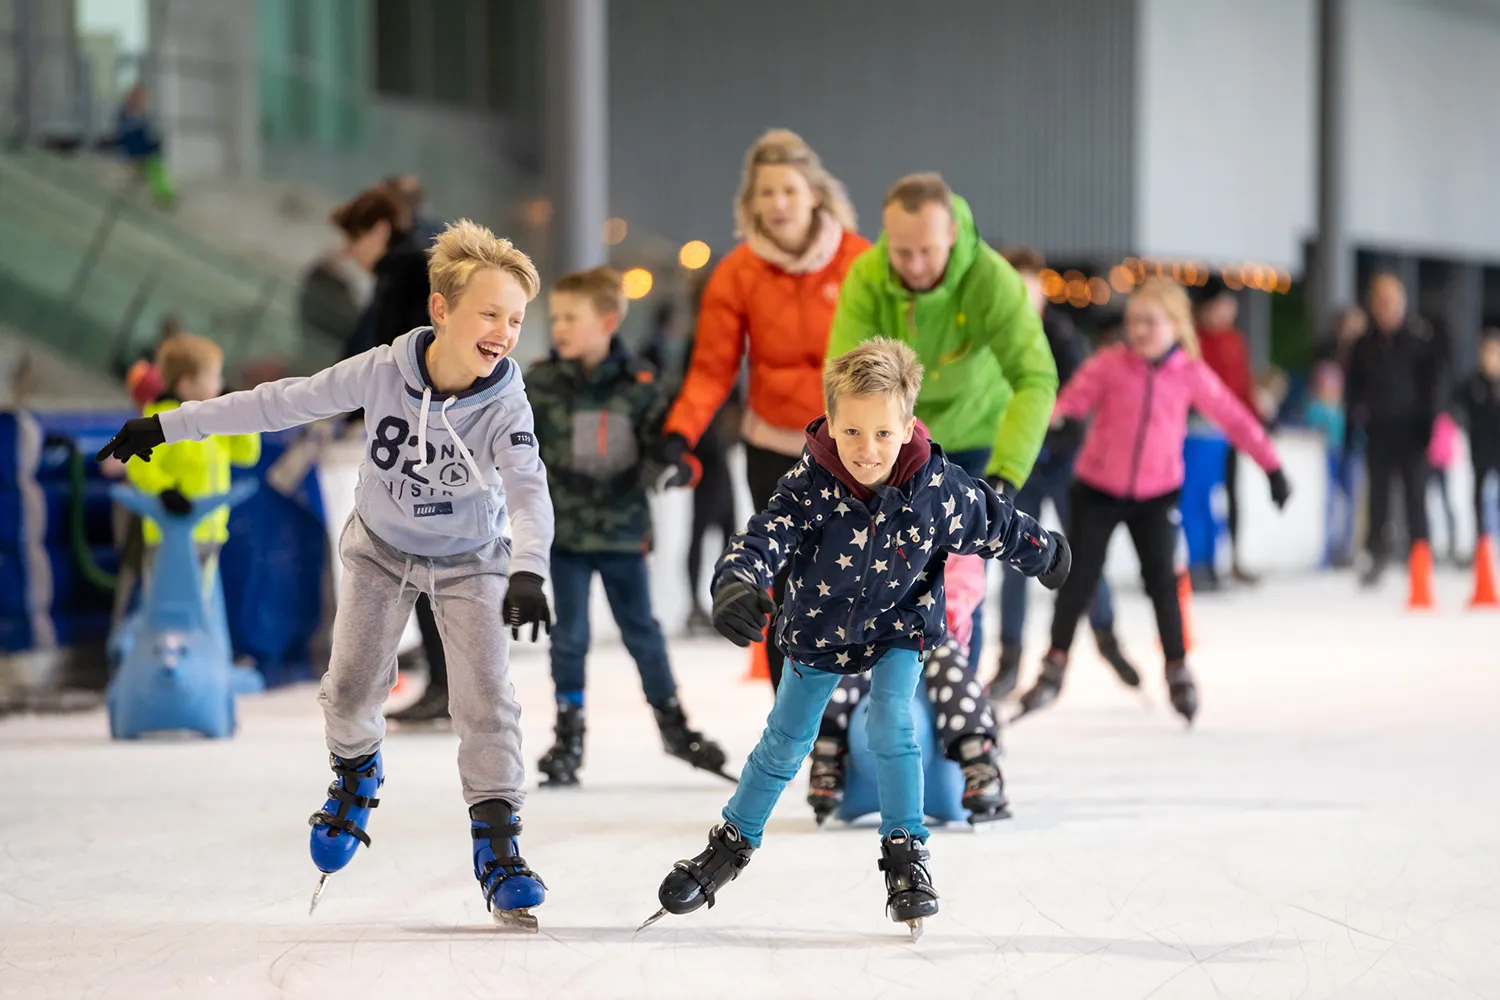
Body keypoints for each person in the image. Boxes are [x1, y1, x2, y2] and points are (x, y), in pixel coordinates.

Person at [95, 221, 555, 929]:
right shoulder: (379, 370)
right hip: (380, 548)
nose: (503, 332)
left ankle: (498, 847)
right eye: (489, 313)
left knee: (487, 699)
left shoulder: (507, 405)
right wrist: (170, 425)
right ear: (441, 310)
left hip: (470, 559)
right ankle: (354, 772)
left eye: (516, 319)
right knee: (348, 689)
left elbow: (527, 489)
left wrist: (527, 569)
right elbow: (280, 401)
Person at [642, 339, 1070, 937]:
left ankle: (906, 853)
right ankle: (732, 843)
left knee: (892, 722)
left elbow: (992, 520)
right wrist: (736, 584)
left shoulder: (937, 488)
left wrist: (1042, 550)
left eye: (882, 434)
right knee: (785, 741)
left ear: (908, 424)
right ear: (831, 423)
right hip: (819, 629)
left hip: (900, 624)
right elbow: (763, 538)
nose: (866, 451)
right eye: (851, 433)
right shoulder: (811, 483)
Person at [814, 173, 1057, 819]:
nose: (915, 265)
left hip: (977, 440)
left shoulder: (991, 280)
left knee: (955, 602)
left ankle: (960, 752)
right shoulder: (869, 277)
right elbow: (843, 383)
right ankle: (838, 754)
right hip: (894, 440)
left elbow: (1035, 375)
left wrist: (1005, 474)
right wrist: (855, 467)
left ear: (953, 234)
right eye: (902, 251)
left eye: (927, 251)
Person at [1015, 279, 1290, 725]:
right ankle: (1054, 665)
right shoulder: (1109, 365)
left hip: (1157, 494)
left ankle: (1178, 669)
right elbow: (1068, 401)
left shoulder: (1189, 373)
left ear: (1176, 326)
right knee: (1078, 578)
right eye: (1134, 321)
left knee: (1163, 581)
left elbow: (1234, 416)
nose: (1139, 330)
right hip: (1097, 489)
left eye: (1150, 321)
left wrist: (1272, 466)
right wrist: (1052, 423)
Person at [651, 129, 869, 688]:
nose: (777, 204)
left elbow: (896, 358)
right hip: (775, 448)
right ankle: (792, 718)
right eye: (764, 193)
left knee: (855, 580)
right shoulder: (737, 272)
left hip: (854, 449)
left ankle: (853, 720)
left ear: (814, 194)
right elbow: (711, 369)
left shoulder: (859, 262)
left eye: (788, 191)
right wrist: (678, 436)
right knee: (789, 582)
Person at [526, 266, 728, 786]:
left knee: (643, 633)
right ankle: (568, 735)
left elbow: (680, 450)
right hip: (565, 536)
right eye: (556, 318)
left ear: (608, 320)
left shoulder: (642, 385)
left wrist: (675, 466)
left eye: (572, 317)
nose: (560, 328)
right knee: (569, 636)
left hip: (622, 535)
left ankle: (674, 726)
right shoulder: (542, 382)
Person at [986, 247, 1138, 703]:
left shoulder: (1062, 336)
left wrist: (1053, 418)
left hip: (1067, 466)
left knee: (1083, 558)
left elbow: (1077, 403)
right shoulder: (992, 337)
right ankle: (1009, 659)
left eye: (1027, 288)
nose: (1020, 297)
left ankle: (1108, 637)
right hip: (1018, 468)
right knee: (1014, 561)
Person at [329, 187, 455, 726]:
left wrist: (355, 405)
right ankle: (447, 681)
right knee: (430, 560)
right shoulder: (410, 267)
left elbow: (389, 353)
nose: (349, 252)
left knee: (424, 558)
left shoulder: (405, 272)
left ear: (379, 229)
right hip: (426, 431)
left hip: (423, 437)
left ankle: (448, 684)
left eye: (355, 238)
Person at [115, 334, 261, 633]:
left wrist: (237, 410)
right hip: (169, 536)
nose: (220, 383)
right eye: (214, 377)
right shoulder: (161, 417)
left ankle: (193, 659)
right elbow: (140, 465)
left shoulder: (215, 419)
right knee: (166, 602)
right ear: (186, 384)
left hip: (210, 532)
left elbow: (247, 454)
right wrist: (164, 491)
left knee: (200, 606)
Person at [1344, 273, 1444, 590]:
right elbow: (1353, 389)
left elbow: (1433, 386)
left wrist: (1428, 426)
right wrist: (1351, 428)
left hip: (1412, 431)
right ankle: (1377, 555)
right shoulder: (1363, 345)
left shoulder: (1419, 341)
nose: (1387, 308)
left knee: (1416, 496)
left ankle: (1420, 558)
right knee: (1378, 499)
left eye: (1392, 301)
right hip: (1378, 430)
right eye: (1381, 301)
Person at [1193, 277, 1262, 585]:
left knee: (1231, 495)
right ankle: (1202, 561)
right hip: (1203, 433)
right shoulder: (1196, 340)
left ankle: (1232, 557)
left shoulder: (1235, 341)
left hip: (1231, 431)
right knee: (1201, 496)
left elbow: (1244, 386)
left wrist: (1254, 423)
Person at [1305, 362, 1354, 567]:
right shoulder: (1315, 408)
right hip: (1326, 457)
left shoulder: (1344, 409)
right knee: (1328, 503)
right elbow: (1312, 431)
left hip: (1346, 455)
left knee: (1348, 503)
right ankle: (1326, 552)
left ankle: (1345, 549)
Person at [1455, 331, 1500, 549]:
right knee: (1479, 496)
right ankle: (1481, 541)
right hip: (1480, 448)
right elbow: (1456, 406)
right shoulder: (1473, 384)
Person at [116, 83, 175, 208]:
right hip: (138, 153)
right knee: (152, 170)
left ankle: (165, 195)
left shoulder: (142, 116)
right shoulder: (128, 117)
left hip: (148, 154)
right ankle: (162, 195)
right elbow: (129, 138)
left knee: (157, 170)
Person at [1427, 411, 1459, 564]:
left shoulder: (1444, 418)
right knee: (1429, 506)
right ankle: (1432, 543)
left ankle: (1452, 542)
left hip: (1440, 465)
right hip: (1431, 465)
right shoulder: (1435, 417)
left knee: (1445, 504)